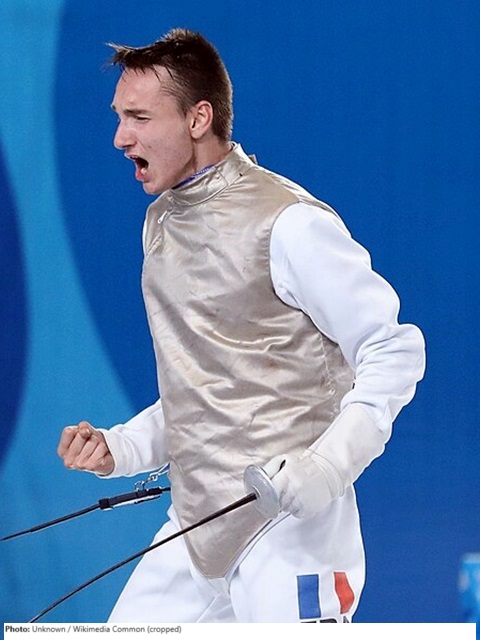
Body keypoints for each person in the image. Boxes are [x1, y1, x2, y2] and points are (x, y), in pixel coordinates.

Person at [57, 28, 425, 623]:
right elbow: (212, 386)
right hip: (196, 525)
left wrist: (329, 465)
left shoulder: (288, 223)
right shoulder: (161, 223)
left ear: (198, 118)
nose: (121, 138)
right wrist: (122, 446)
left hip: (290, 529)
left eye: (139, 118)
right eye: (119, 117)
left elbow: (394, 349)